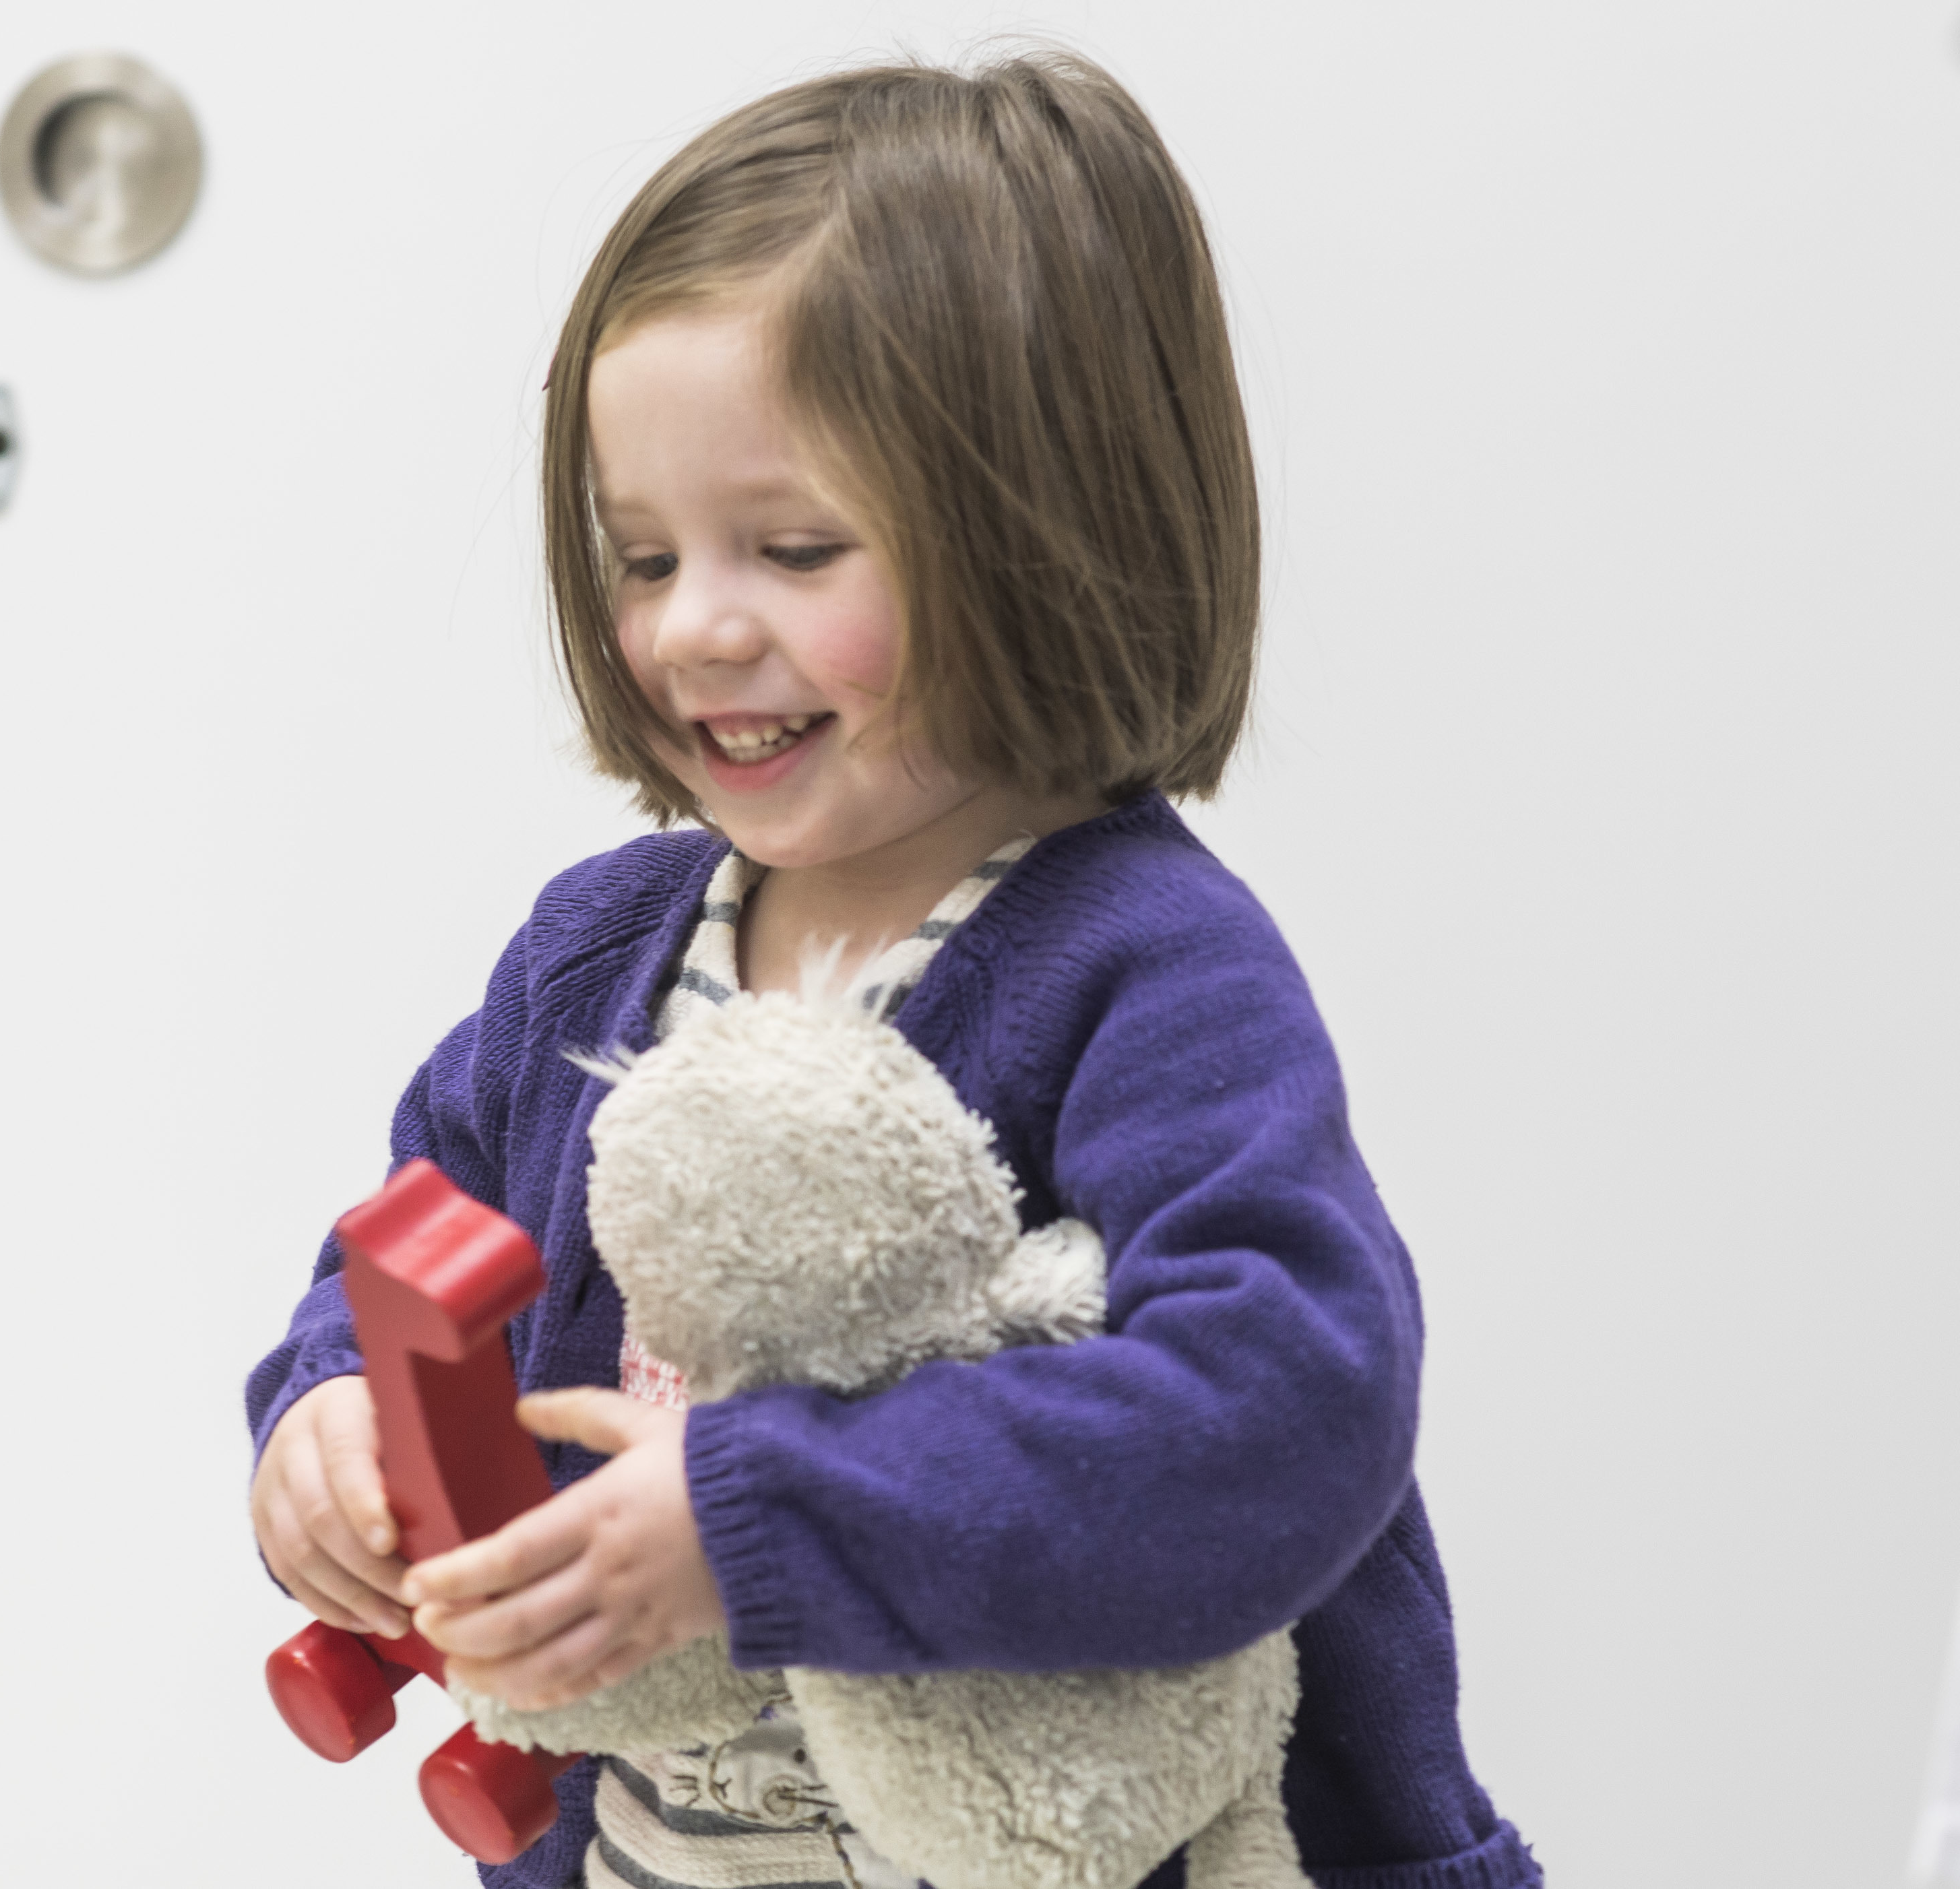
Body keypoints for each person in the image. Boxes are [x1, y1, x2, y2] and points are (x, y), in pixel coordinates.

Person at [246, 48, 1536, 1889]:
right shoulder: (597, 958)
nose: (695, 624)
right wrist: (322, 1418)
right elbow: (407, 1238)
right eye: (640, 555)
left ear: (1042, 533)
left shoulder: (1148, 972)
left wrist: (754, 1513)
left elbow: (1290, 1397)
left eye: (793, 548)